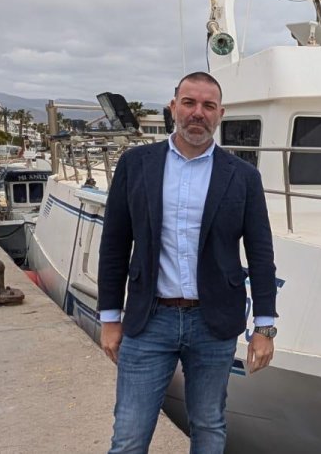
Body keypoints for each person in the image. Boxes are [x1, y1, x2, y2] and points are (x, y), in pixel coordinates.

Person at [98, 71, 277, 453]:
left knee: (209, 425)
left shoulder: (243, 176)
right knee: (129, 434)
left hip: (213, 324)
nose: (198, 113)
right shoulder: (136, 164)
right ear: (173, 107)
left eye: (208, 106)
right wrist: (110, 318)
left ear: (220, 113)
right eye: (190, 103)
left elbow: (261, 253)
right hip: (150, 321)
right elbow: (114, 245)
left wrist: (265, 326)